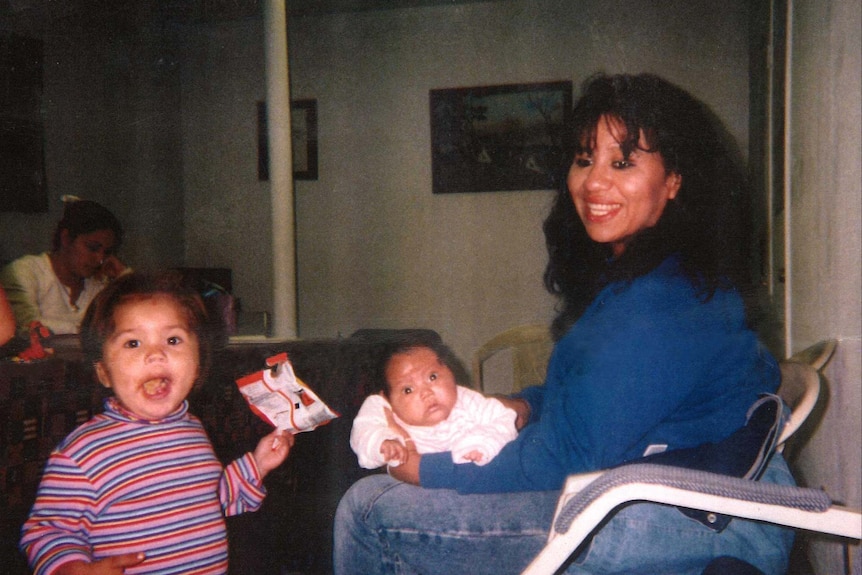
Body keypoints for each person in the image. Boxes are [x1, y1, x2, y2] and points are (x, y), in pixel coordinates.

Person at [333, 73, 795, 575]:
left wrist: (431, 469)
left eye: (622, 162)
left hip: (687, 516)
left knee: (369, 509)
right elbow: (596, 399)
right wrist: (524, 406)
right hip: (675, 485)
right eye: (583, 160)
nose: (594, 182)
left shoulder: (662, 303)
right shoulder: (651, 277)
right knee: (386, 492)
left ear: (675, 181)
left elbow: (568, 453)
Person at [20, 271, 293, 575]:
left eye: (173, 339)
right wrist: (72, 569)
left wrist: (258, 464)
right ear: (103, 372)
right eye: (133, 343)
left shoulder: (192, 430)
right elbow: (48, 530)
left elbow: (210, 499)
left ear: (199, 361)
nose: (155, 354)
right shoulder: (82, 453)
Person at [350, 333, 517, 469]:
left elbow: (505, 418)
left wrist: (482, 443)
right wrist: (382, 442)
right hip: (413, 489)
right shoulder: (382, 408)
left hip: (471, 478)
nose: (426, 393)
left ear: (451, 372)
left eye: (432, 377)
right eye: (408, 389)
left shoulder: (467, 400)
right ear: (387, 398)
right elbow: (363, 431)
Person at [0, 196, 128, 338]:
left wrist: (124, 275)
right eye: (92, 248)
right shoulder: (24, 271)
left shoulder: (99, 283)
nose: (100, 259)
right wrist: (92, 330)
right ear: (66, 238)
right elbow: (29, 326)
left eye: (106, 252)